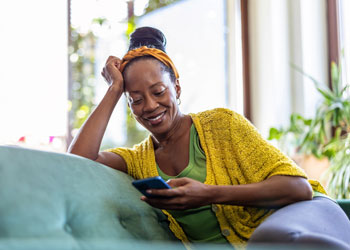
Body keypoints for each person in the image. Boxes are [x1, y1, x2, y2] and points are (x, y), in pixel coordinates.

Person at [68, 27, 350, 249]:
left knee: (271, 241)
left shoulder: (222, 124)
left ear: (176, 88)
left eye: (158, 92)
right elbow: (78, 161)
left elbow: (299, 189)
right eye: (136, 100)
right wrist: (114, 90)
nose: (150, 106)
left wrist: (208, 194)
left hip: (301, 224)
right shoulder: (138, 160)